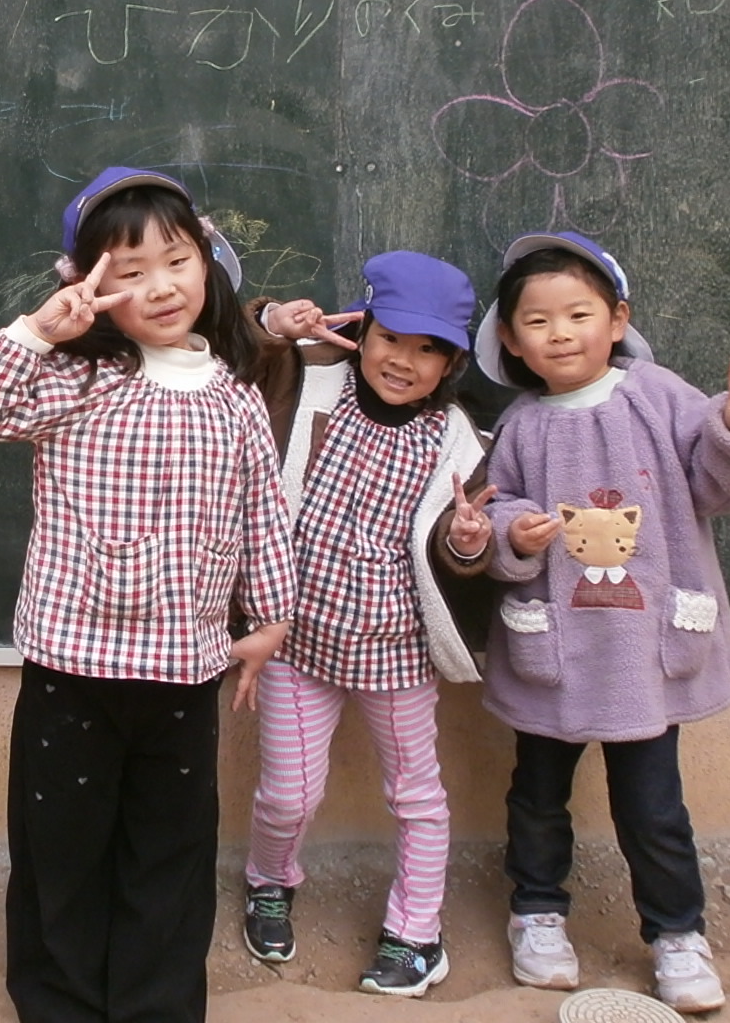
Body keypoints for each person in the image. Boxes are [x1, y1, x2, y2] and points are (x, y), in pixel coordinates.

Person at [0, 167, 298, 1023]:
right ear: (90, 285)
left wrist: (271, 617)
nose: (160, 286)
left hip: (184, 670)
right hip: (72, 667)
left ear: (208, 262)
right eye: (129, 272)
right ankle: (60, 1002)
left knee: (169, 851)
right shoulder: (79, 380)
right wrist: (38, 332)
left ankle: (155, 1005)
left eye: (176, 261)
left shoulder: (237, 396)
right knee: (62, 848)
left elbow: (263, 511)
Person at [473, 232, 730, 1015]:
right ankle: (537, 913)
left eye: (579, 314)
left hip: (644, 651)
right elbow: (495, 507)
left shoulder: (657, 395)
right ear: (511, 340)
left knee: (653, 805)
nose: (560, 333)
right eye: (537, 321)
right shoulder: (521, 425)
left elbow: (716, 486)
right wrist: (514, 533)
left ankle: (678, 934)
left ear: (617, 320)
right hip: (556, 649)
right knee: (537, 793)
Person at [238, 252, 494, 998]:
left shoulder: (457, 439)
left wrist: (468, 542)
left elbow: (459, 549)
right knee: (289, 793)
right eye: (390, 339)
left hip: (397, 650)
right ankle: (268, 879)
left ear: (450, 364)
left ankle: (416, 933)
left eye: (427, 350)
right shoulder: (308, 384)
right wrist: (272, 323)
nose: (403, 361)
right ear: (362, 332)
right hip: (297, 639)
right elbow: (243, 352)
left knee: (416, 796)